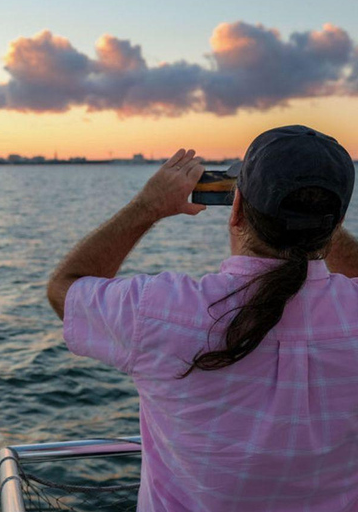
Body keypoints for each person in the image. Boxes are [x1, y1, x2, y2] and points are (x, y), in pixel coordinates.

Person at [47, 125, 358, 511]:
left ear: (237, 207)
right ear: (336, 220)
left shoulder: (162, 311)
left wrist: (148, 206)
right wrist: (316, 217)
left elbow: (65, 287)